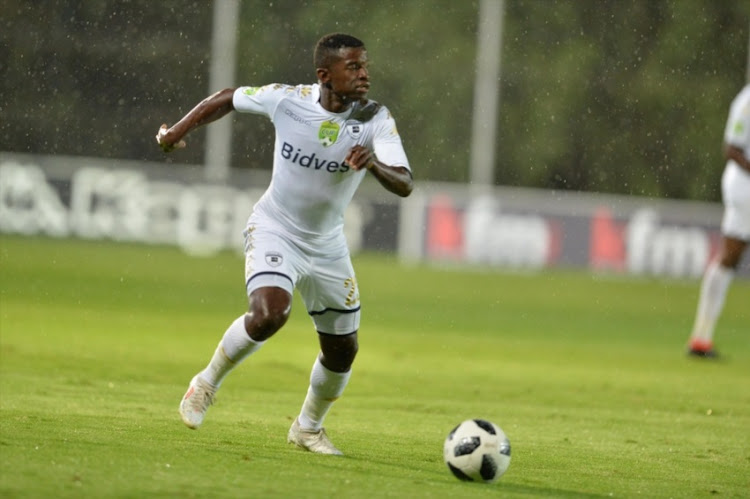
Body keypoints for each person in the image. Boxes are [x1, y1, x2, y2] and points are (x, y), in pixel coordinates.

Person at [156, 33, 413, 454]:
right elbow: (227, 97)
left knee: (342, 349)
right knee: (269, 314)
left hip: (328, 245)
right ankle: (205, 383)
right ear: (324, 75)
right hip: (276, 227)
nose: (364, 74)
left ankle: (307, 428)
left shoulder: (375, 119)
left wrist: (374, 164)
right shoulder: (287, 100)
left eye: (365, 65)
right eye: (353, 67)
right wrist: (176, 132)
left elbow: (404, 183)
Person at [687, 83, 750, 358]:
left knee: (729, 258)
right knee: (730, 256)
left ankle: (701, 338)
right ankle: (700, 337)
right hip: (746, 188)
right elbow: (732, 148)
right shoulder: (747, 101)